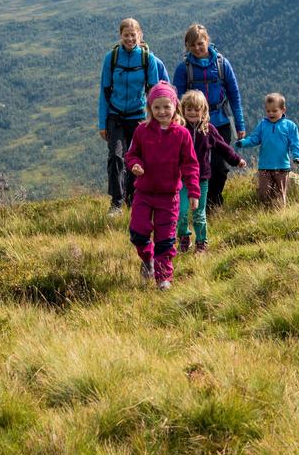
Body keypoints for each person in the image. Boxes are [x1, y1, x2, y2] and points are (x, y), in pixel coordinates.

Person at [124, 82, 200, 290]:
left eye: (166, 106)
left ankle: (163, 278)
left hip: (169, 196)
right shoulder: (142, 131)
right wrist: (135, 165)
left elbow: (190, 165)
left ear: (175, 106)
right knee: (138, 232)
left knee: (165, 239)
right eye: (156, 107)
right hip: (144, 193)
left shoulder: (182, 134)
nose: (162, 111)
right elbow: (131, 154)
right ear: (149, 108)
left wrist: (193, 191)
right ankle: (147, 259)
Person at [98, 18, 169, 216]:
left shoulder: (148, 59)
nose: (130, 38)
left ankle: (132, 198)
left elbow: (155, 93)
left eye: (133, 35)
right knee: (115, 156)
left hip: (138, 117)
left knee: (136, 160)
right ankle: (116, 203)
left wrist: (154, 120)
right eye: (126, 35)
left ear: (140, 35)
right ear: (120, 36)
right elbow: (104, 92)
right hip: (115, 115)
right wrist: (102, 122)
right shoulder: (111, 58)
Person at [173, 24, 246, 212]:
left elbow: (234, 95)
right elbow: (177, 100)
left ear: (207, 41)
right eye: (193, 45)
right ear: (188, 47)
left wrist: (240, 125)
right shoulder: (184, 69)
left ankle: (213, 203)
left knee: (219, 167)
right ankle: (197, 205)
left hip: (219, 121)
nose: (197, 48)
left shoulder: (222, 65)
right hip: (193, 125)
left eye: (200, 43)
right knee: (196, 166)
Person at [177, 90, 246, 253]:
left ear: (204, 111)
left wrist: (236, 160)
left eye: (196, 109)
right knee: (181, 213)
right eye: (189, 109)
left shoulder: (208, 130)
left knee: (199, 213)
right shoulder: (179, 129)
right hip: (182, 179)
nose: (192, 113)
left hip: (202, 179)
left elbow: (223, 148)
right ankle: (184, 238)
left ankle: (202, 242)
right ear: (183, 110)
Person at [235, 93, 299, 207]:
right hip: (264, 167)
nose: (270, 113)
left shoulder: (290, 126)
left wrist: (297, 156)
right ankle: (265, 213)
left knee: (280, 195)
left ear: (283, 110)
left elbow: (295, 143)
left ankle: (279, 215)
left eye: (274, 110)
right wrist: (243, 143)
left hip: (282, 167)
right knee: (263, 193)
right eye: (268, 111)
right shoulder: (262, 124)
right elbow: (254, 138)